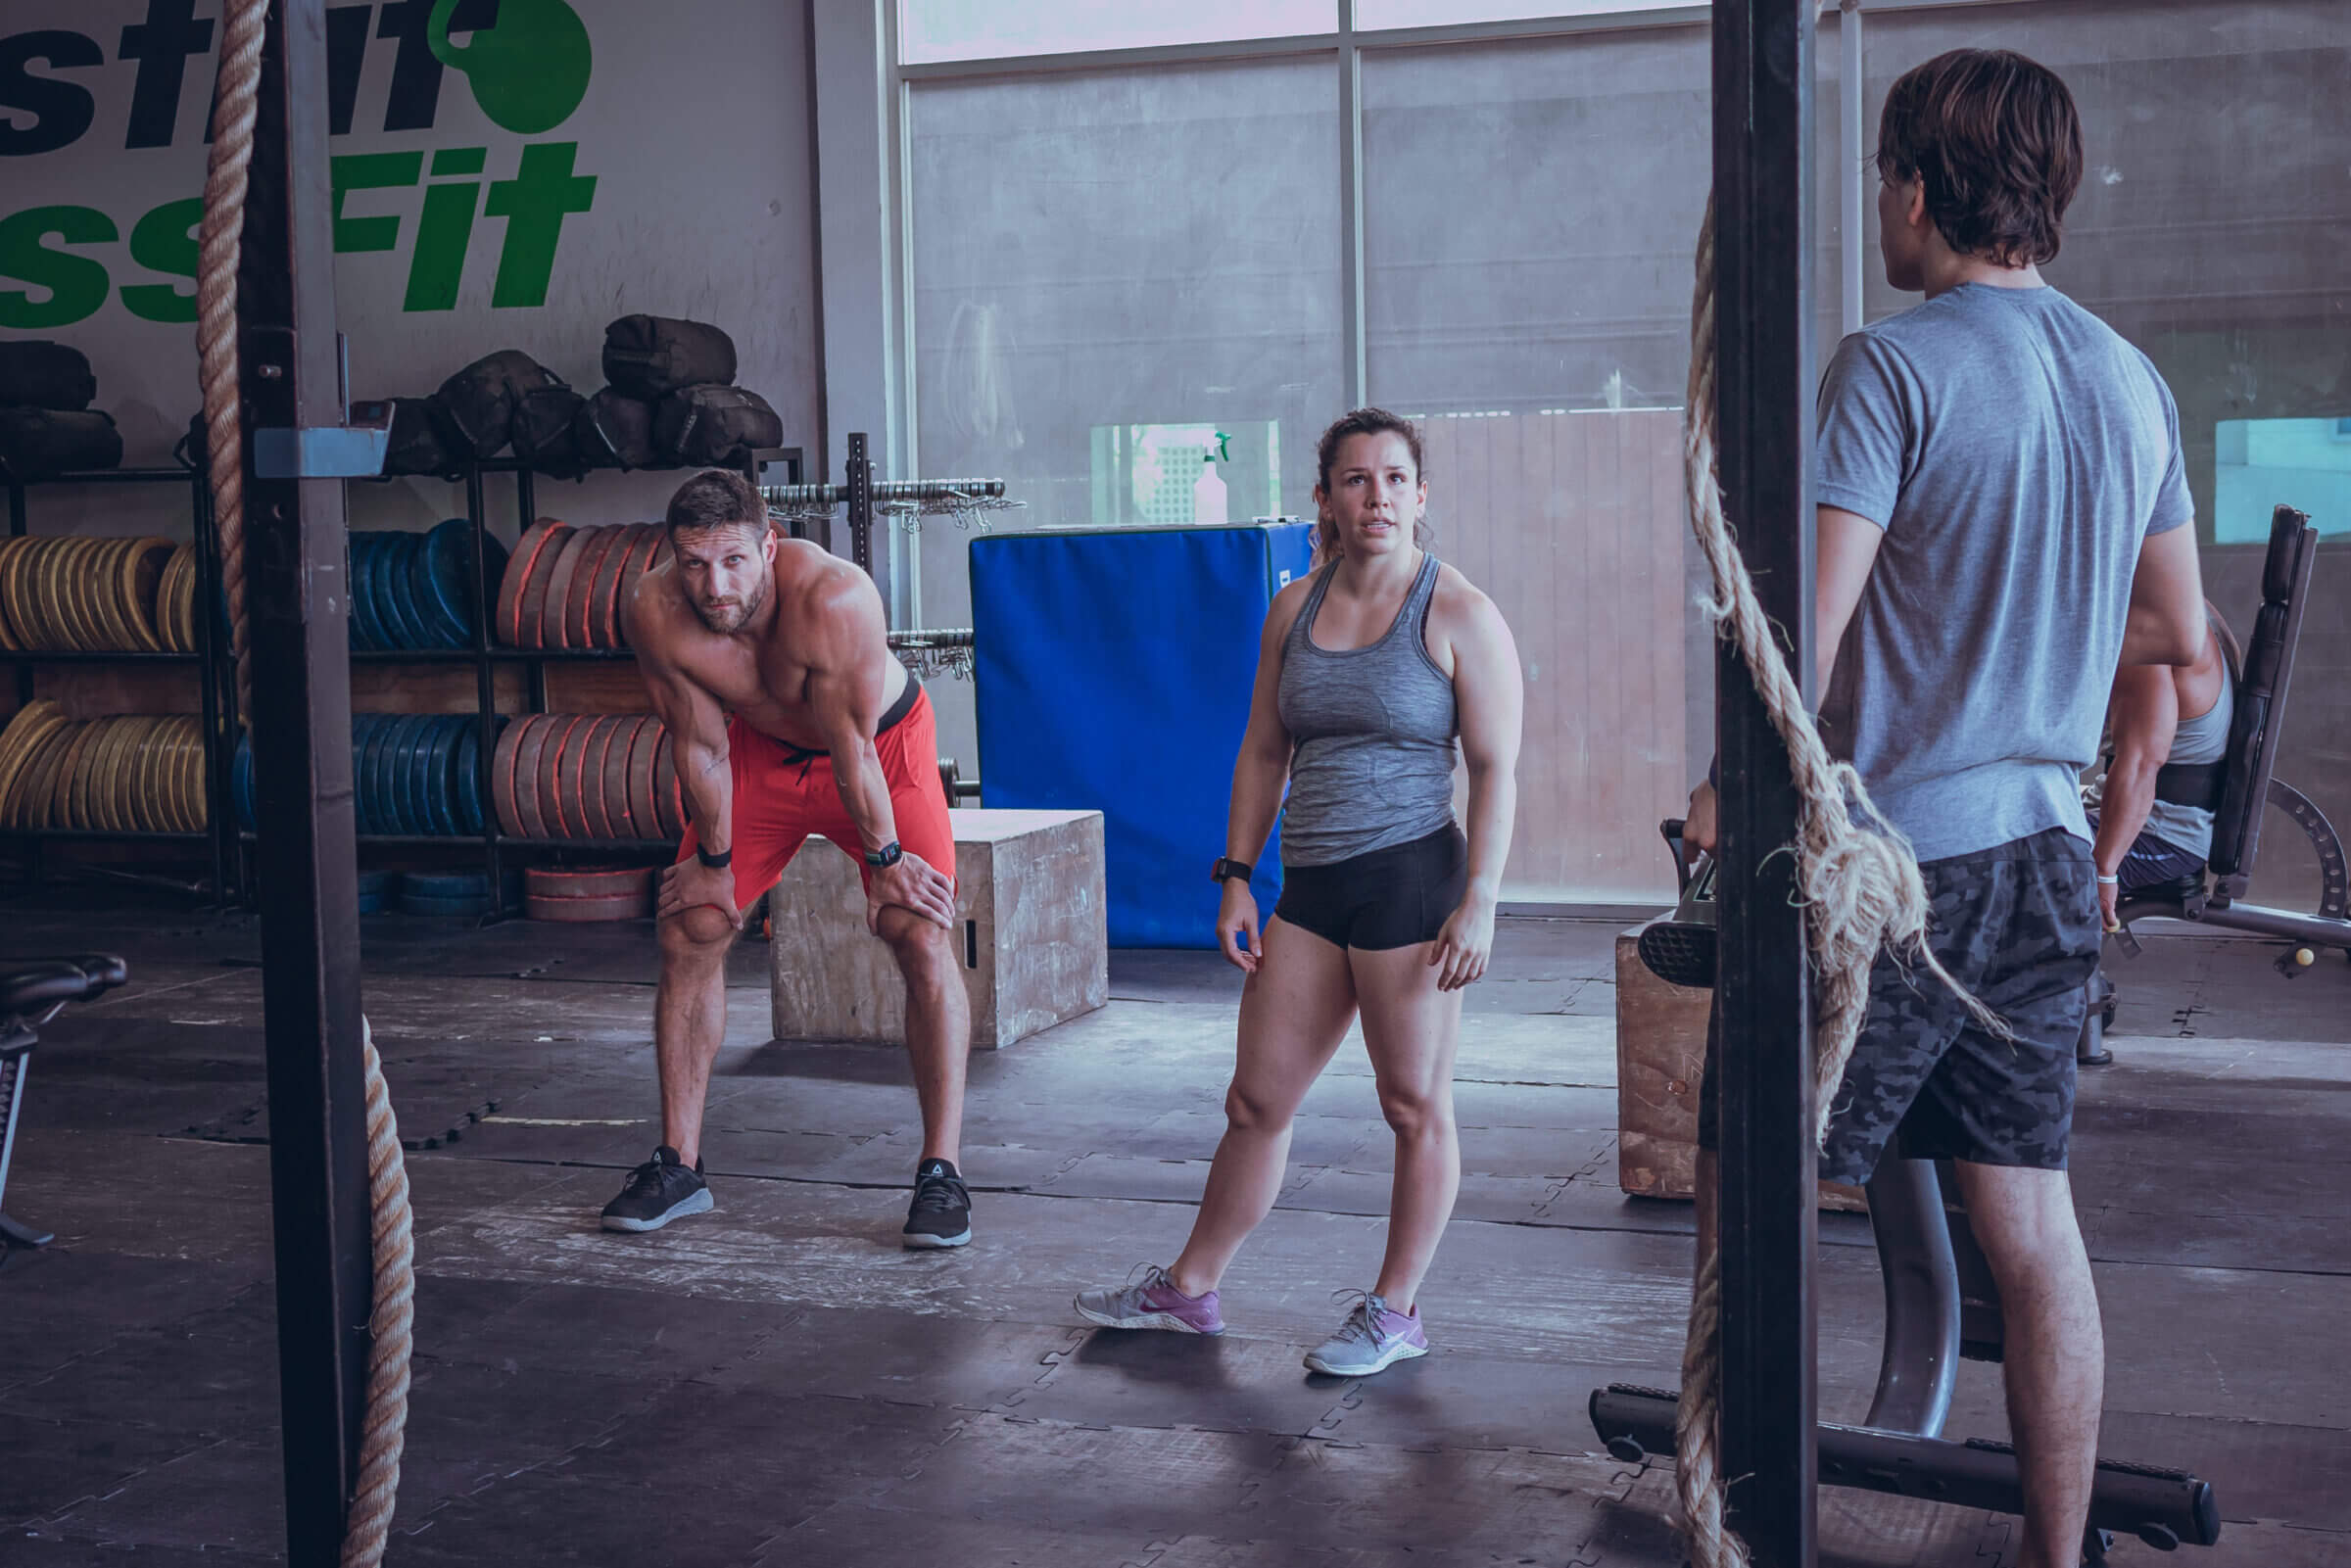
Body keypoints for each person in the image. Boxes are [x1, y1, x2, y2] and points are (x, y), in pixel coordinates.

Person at [1682, 51, 2207, 1568]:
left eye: (1883, 183)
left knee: (1749, 1186)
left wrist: (1731, 785)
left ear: (1919, 186)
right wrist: (2037, 648)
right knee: (2029, 1224)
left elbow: (1809, 639)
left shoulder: (1891, 366)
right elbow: (2175, 631)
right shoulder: (2127, 374)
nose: (1881, 212)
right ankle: (2054, 1555)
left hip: (1902, 870)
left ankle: (1737, 1495)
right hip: (2045, 856)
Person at [1073, 408, 1524, 1378]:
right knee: (1256, 1098)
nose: (1377, 497)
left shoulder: (1459, 614)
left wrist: (1481, 897)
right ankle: (1191, 1289)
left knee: (1413, 1104)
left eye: (1395, 478)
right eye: (1356, 480)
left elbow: (1496, 770)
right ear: (1323, 497)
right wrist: (1237, 875)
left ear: (1421, 494)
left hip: (1413, 882)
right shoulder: (1293, 609)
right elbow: (1264, 750)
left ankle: (1397, 1309)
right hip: (1313, 887)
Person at [599, 468, 976, 1249]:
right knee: (692, 925)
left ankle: (942, 1169)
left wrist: (888, 858)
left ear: (770, 544)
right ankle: (679, 1163)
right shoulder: (655, 609)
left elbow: (854, 753)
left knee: (918, 928)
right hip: (757, 754)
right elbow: (699, 744)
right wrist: (712, 857)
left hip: (879, 751)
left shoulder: (834, 599)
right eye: (695, 562)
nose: (715, 583)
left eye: (734, 559)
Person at [2088, 609, 2236, 925]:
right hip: (2148, 818)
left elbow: (2142, 761)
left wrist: (2103, 872)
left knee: (1990, 852)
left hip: (2157, 835)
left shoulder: (2148, 626)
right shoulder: (2194, 606)